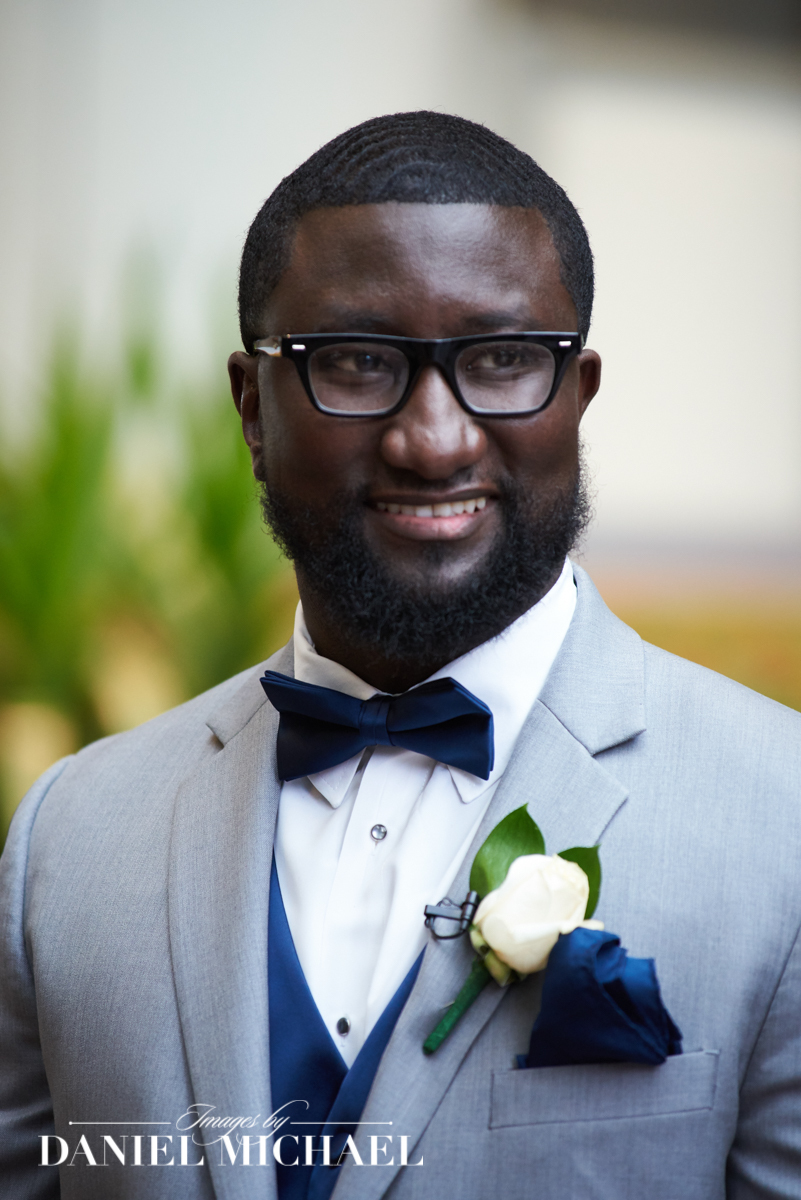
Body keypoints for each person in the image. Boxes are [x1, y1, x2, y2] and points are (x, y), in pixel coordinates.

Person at [1, 111, 800, 1200]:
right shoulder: (69, 840)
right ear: (251, 407)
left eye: (503, 360)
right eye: (358, 361)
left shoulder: (780, 822)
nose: (433, 440)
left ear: (578, 396)